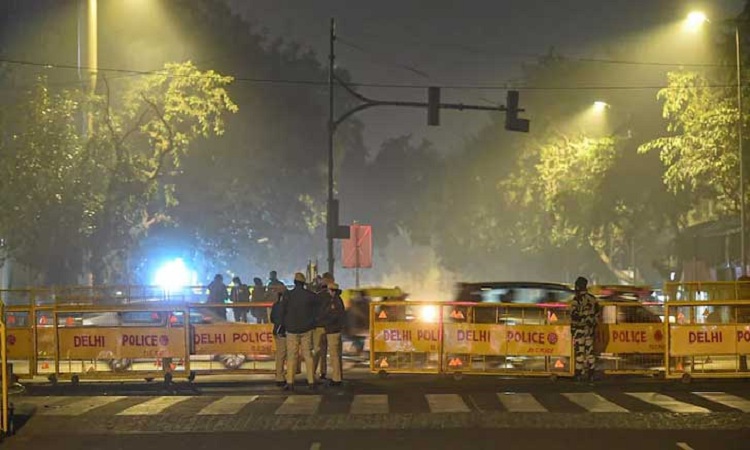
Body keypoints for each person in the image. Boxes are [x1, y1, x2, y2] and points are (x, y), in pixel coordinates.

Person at [281, 272, 317, 390]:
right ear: (304, 283)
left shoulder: (288, 295)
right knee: (308, 355)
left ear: (294, 283)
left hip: (291, 329)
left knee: (292, 356)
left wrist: (284, 324)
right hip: (306, 329)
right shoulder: (310, 295)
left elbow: (283, 310)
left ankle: (290, 382)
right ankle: (311, 381)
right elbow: (315, 311)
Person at [571, 276, 599, 382]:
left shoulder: (577, 300)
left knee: (579, 352)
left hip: (579, 329)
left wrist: (573, 329)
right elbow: (597, 314)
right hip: (590, 329)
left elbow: (573, 315)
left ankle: (578, 374)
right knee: (590, 351)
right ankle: (591, 374)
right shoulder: (592, 299)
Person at [319, 282, 346, 386]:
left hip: (332, 330)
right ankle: (338, 376)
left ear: (331, 290)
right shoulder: (339, 300)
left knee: (334, 355)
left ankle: (336, 379)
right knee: (337, 355)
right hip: (337, 330)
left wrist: (323, 321)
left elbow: (331, 316)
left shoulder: (333, 302)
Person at [312, 273, 334, 380]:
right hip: (329, 326)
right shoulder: (332, 296)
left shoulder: (318, 296)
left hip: (319, 326)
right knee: (325, 350)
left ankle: (313, 371)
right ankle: (323, 372)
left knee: (317, 350)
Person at [269, 284, 288, 387]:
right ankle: (285, 376)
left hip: (277, 331)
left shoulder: (276, 305)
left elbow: (272, 318)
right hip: (284, 331)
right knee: (287, 355)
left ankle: (279, 376)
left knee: (280, 355)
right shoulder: (286, 305)